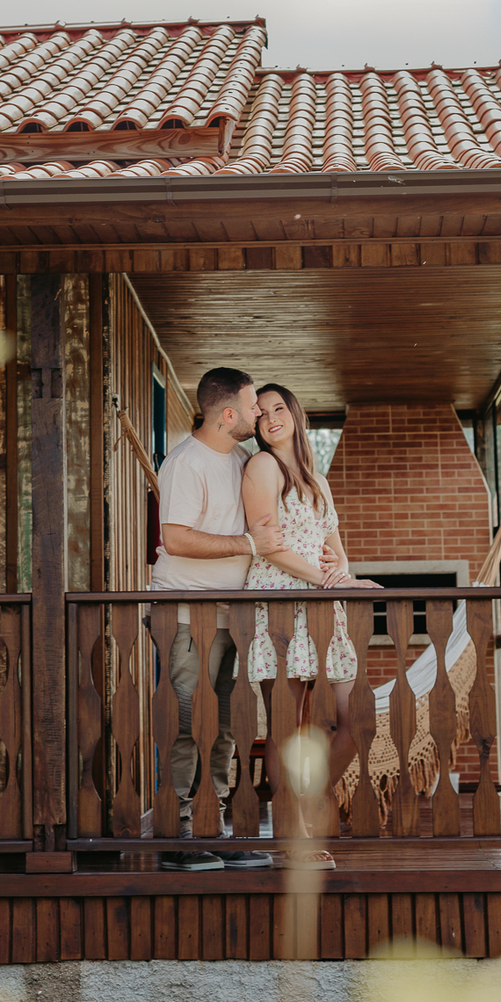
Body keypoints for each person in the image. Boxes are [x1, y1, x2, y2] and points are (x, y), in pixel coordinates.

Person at [242, 382, 381, 862]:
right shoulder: (262, 466)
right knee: (291, 725)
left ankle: (305, 799)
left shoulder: (318, 481)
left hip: (324, 608)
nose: (271, 418)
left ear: (296, 415)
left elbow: (336, 553)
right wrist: (328, 582)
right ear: (256, 427)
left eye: (279, 409)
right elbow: (270, 545)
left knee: (358, 718)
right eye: (261, 415)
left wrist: (345, 581)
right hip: (281, 605)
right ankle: (292, 836)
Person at [151, 366, 282, 872]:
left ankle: (214, 824)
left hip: (232, 620)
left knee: (226, 728)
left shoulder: (244, 459)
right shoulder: (187, 463)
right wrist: (248, 545)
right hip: (186, 617)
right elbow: (177, 539)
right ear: (228, 414)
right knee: (189, 724)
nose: (258, 414)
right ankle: (182, 833)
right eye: (252, 407)